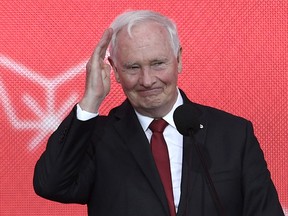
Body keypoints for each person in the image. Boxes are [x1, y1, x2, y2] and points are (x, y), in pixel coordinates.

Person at [33, 10, 284, 216]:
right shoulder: (98, 138)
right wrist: (91, 100)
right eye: (132, 67)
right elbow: (52, 184)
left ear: (179, 60)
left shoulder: (233, 134)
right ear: (115, 71)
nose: (147, 80)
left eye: (158, 63)